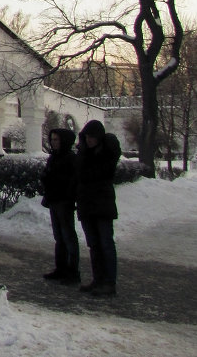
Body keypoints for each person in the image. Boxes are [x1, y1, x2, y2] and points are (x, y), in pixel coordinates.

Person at [75, 119, 121, 297]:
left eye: (92, 137)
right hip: (87, 203)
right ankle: (98, 278)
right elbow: (79, 174)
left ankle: (109, 282)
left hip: (101, 204)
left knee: (106, 243)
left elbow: (101, 173)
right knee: (94, 244)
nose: (89, 140)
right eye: (87, 137)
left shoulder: (105, 154)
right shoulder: (84, 154)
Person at [40, 128, 80, 284]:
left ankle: (72, 271)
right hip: (54, 199)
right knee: (59, 236)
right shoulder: (54, 157)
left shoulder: (70, 158)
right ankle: (61, 268)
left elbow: (71, 180)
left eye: (57, 139)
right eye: (53, 139)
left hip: (64, 200)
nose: (53, 142)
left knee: (68, 236)